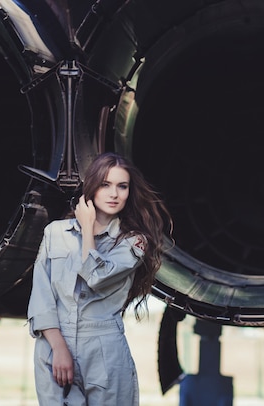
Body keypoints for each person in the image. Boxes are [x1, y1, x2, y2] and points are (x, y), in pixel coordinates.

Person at [27, 152, 173, 405]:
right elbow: (41, 297)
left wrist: (87, 231)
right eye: (105, 184)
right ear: (92, 187)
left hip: (104, 348)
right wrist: (59, 348)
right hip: (53, 346)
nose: (114, 194)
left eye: (122, 186)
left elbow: (95, 277)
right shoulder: (55, 233)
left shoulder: (135, 242)